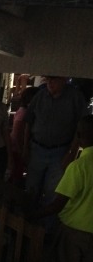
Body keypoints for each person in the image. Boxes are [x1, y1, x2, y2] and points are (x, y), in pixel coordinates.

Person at [32, 115, 93, 262]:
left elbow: (57, 204)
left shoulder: (79, 167)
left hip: (74, 231)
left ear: (79, 137)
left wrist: (33, 213)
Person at [23, 76, 89, 209]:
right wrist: (25, 148)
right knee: (31, 188)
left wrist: (72, 153)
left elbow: (81, 128)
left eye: (54, 80)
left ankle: (46, 227)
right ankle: (25, 221)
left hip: (60, 151)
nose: (50, 83)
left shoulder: (75, 97)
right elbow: (28, 122)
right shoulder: (40, 96)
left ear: (64, 79)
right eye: (48, 80)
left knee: (52, 192)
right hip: (37, 148)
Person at [9, 87, 36, 184]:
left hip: (17, 148)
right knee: (15, 175)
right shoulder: (24, 112)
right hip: (17, 149)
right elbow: (17, 134)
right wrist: (22, 150)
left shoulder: (24, 111)